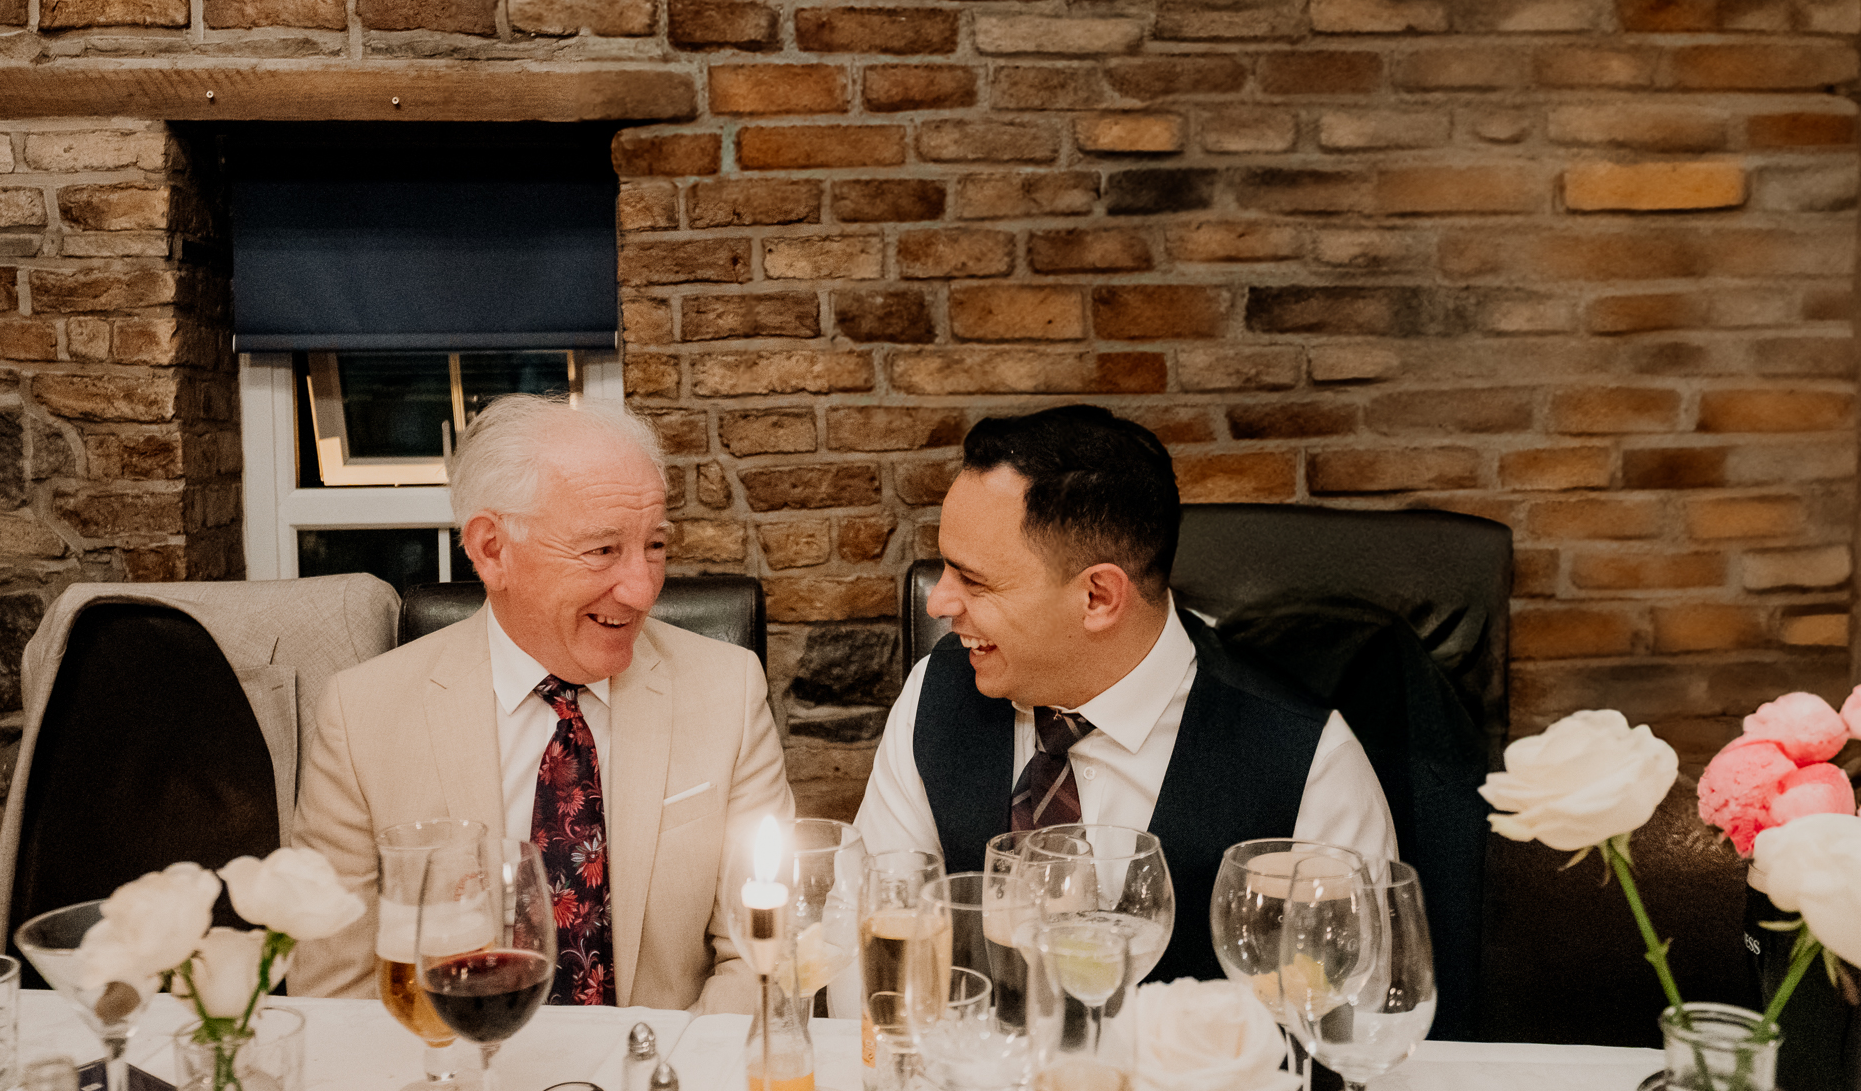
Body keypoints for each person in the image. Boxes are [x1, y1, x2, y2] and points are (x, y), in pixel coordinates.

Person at [853, 404, 1396, 983]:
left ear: (1098, 597)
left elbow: (1348, 1014)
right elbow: (866, 953)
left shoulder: (1309, 762)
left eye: (976, 580)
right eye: (945, 568)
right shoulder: (933, 697)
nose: (939, 603)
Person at [290, 395, 794, 1012]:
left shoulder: (728, 690)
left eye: (655, 546)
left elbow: (763, 955)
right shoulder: (361, 716)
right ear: (492, 550)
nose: (641, 588)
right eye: (603, 550)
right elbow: (331, 995)